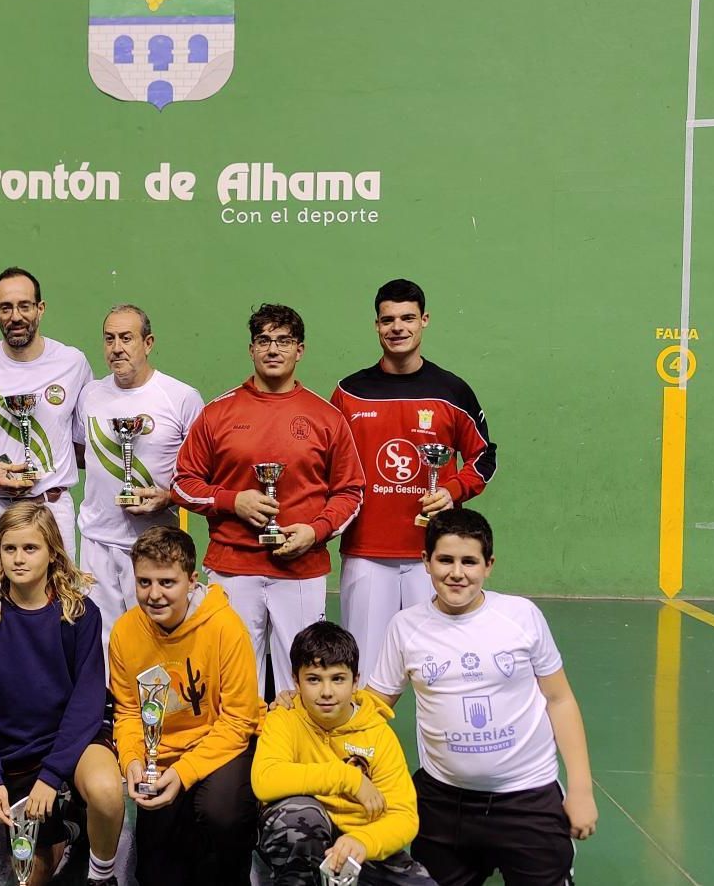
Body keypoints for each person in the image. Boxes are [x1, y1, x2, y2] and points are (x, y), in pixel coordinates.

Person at [365, 509, 597, 885]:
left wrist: (582, 791)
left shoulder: (521, 616)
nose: (457, 573)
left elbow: (560, 700)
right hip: (442, 805)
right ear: (426, 562)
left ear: (488, 565)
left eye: (469, 561)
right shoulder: (406, 627)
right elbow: (373, 708)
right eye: (445, 560)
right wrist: (303, 711)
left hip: (528, 801)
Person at [172, 303, 365, 693]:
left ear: (300, 350)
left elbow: (350, 491)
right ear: (251, 349)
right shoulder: (218, 412)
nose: (273, 349)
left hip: (301, 571)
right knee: (234, 683)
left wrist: (315, 532)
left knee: (304, 683)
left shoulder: (325, 417)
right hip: (232, 569)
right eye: (264, 340)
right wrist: (232, 500)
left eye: (283, 341)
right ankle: (242, 756)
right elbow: (182, 482)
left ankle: (296, 756)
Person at [332, 278, 498, 670]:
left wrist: (453, 490)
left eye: (408, 317)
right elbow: (328, 465)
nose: (398, 327)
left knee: (440, 669)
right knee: (364, 671)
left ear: (424, 320)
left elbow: (484, 457)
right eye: (388, 319)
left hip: (435, 554)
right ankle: (365, 735)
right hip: (367, 553)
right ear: (376, 325)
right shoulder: (349, 392)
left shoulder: (451, 391)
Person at [0, 502, 124, 886]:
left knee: (106, 790)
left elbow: (87, 704)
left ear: (52, 553)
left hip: (75, 744)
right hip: (17, 755)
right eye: (9, 548)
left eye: (30, 548)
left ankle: (101, 876)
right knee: (33, 876)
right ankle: (68, 830)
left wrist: (52, 776)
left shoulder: (80, 613)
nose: (18, 558)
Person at [0, 267, 91, 636]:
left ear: (41, 308)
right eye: (5, 307)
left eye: (24, 306)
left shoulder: (73, 363)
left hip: (50, 507)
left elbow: (84, 442)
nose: (15, 316)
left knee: (60, 608)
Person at [108, 526, 262, 886]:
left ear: (192, 581)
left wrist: (184, 773)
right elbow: (129, 711)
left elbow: (239, 721)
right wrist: (131, 761)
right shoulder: (124, 632)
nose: (154, 595)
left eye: (167, 582)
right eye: (144, 582)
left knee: (221, 815)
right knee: (156, 874)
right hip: (158, 754)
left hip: (222, 746)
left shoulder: (226, 628)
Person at [252, 622, 435, 886]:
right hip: (305, 840)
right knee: (298, 814)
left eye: (338, 678)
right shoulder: (285, 719)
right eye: (314, 679)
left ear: (355, 680)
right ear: (296, 680)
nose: (327, 692)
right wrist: (347, 777)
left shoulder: (379, 734)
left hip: (359, 843)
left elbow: (403, 816)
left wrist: (364, 841)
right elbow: (266, 780)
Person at [76, 305, 203, 644]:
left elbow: (203, 471)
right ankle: (107, 699)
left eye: (126, 338)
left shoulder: (182, 398)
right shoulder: (90, 395)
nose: (116, 347)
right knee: (100, 640)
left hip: (155, 546)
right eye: (109, 339)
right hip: (96, 540)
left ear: (148, 343)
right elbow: (81, 452)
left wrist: (168, 497)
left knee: (153, 641)